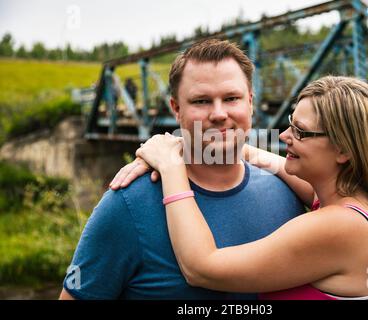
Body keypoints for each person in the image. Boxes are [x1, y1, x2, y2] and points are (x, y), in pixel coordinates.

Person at [114, 76, 368, 300]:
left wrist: (170, 168)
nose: (284, 135)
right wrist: (190, 146)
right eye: (289, 123)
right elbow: (261, 157)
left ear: (343, 150)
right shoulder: (347, 201)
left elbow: (201, 268)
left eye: (300, 131)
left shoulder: (338, 226)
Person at [59, 39, 304, 300]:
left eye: (231, 98)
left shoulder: (286, 192)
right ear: (176, 109)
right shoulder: (127, 204)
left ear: (251, 102)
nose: (219, 113)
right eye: (201, 101)